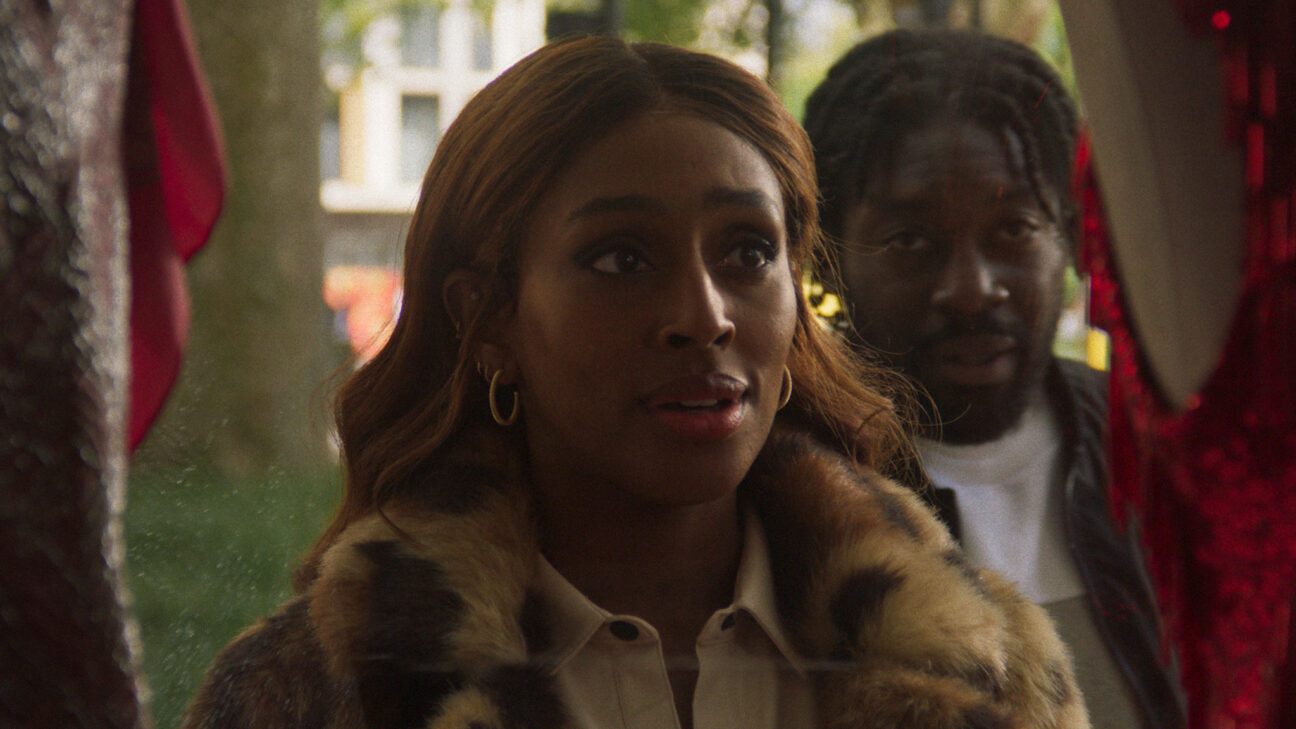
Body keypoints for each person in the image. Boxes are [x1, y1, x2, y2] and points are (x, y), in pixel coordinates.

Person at [182, 36, 1088, 729]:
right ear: (486, 317)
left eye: (747, 252)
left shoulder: (986, 666)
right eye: (622, 257)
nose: (703, 314)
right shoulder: (318, 693)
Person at [803, 29, 1186, 729]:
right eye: (911, 240)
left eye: (1014, 228)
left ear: (1068, 235)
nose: (972, 289)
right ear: (828, 257)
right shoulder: (783, 491)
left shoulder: (1161, 454)